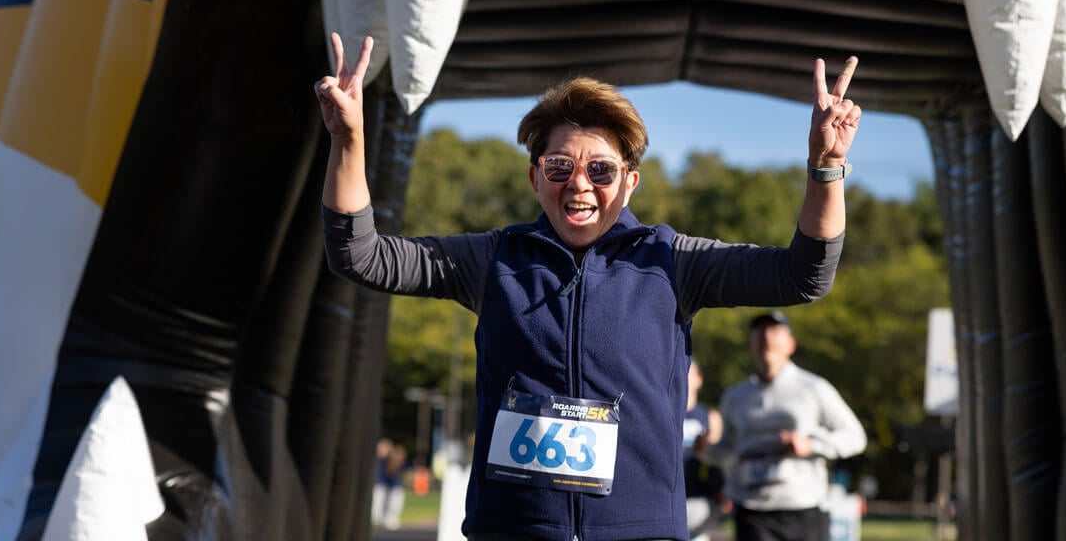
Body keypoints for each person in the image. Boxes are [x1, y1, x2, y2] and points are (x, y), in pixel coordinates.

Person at [314, 32, 862, 541]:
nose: (579, 183)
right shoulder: (494, 259)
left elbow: (803, 275)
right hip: (511, 529)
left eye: (600, 170)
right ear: (535, 178)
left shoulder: (671, 260)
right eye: (559, 167)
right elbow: (360, 255)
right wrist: (348, 139)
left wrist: (826, 168)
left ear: (630, 182)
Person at [709, 310, 867, 541]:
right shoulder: (735, 397)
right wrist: (706, 450)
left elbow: (855, 436)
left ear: (791, 344)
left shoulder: (813, 388)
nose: (766, 338)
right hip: (752, 510)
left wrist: (811, 444)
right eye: (760, 332)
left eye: (775, 332)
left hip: (802, 508)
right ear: (749, 344)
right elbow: (728, 451)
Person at [683, 361, 725, 541]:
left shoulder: (711, 417)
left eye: (689, 372)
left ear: (699, 379)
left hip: (697, 498)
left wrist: (706, 445)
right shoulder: (663, 414)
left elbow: (718, 460)